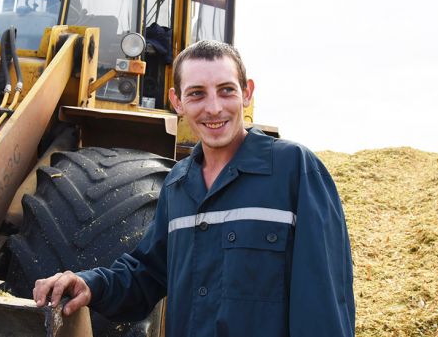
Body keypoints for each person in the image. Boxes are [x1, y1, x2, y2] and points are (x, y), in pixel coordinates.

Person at [34, 40, 355, 336]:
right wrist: (91, 285)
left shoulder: (294, 170)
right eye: (197, 93)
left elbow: (324, 298)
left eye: (226, 90)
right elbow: (146, 274)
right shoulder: (177, 185)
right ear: (178, 102)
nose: (213, 108)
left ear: (247, 93)